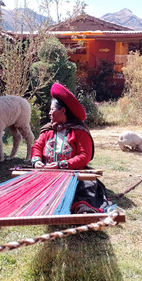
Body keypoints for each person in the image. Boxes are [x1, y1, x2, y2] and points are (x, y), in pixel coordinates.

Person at [31, 83, 112, 214]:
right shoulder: (48, 130)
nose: (49, 112)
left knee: (86, 185)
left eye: (52, 109)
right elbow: (37, 146)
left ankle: (83, 207)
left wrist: (61, 165)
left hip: (72, 173)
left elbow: (84, 156)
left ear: (63, 111)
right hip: (46, 172)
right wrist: (36, 161)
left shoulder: (80, 132)